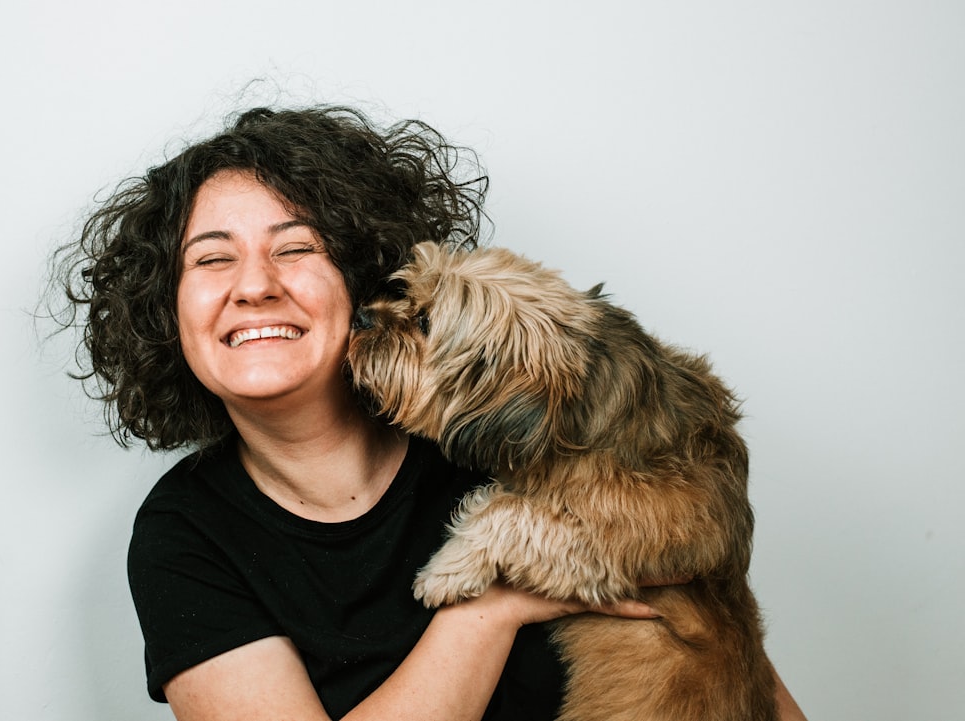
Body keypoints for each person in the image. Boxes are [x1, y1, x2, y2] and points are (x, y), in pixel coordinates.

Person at [57, 104, 806, 720]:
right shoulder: (184, 534)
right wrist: (491, 608)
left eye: (295, 248)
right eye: (212, 258)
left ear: (359, 278)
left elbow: (730, 664)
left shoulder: (507, 426)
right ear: (166, 312)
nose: (253, 285)